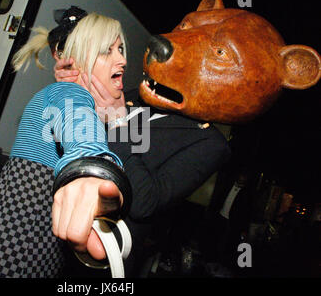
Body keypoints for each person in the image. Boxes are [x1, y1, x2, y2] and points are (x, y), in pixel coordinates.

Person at [0, 6, 131, 278]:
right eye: (108, 50)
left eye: (121, 49)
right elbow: (81, 129)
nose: (122, 60)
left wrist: (117, 118)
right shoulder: (67, 92)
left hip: (30, 250)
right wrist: (93, 168)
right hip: (5, 253)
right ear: (81, 58)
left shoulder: (88, 105)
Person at [54, 57, 232, 276]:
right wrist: (71, 92)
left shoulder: (209, 142)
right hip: (58, 224)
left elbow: (144, 202)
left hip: (105, 252)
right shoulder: (131, 96)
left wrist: (119, 125)